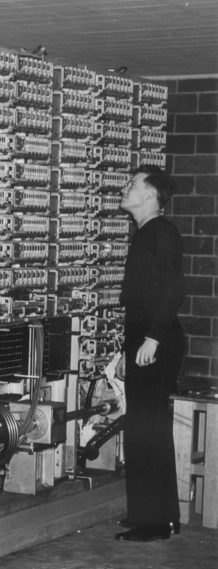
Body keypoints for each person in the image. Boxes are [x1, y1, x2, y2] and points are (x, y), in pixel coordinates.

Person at [115, 165, 185, 543]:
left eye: (134, 184)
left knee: (148, 426)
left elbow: (173, 291)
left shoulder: (162, 231)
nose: (126, 187)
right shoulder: (146, 233)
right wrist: (132, 347)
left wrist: (153, 340)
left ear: (152, 196)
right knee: (144, 424)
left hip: (157, 337)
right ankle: (155, 516)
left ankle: (155, 522)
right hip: (144, 336)